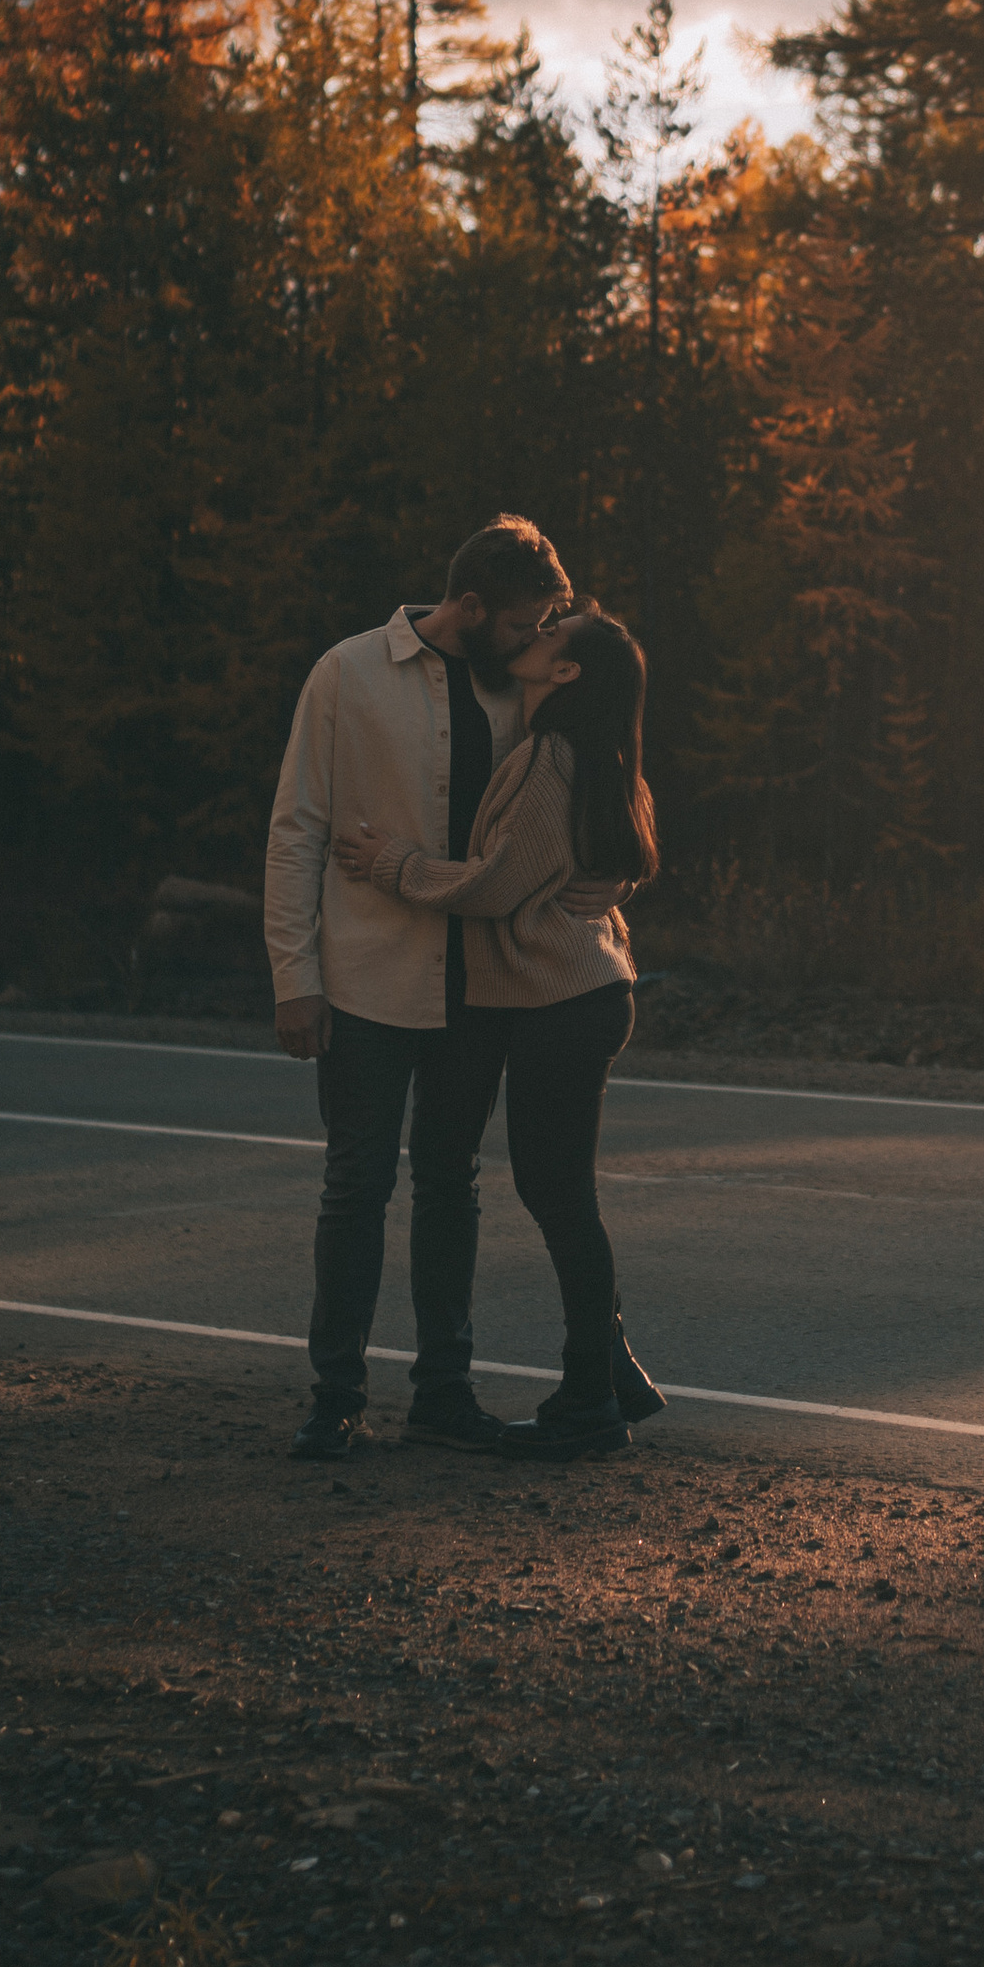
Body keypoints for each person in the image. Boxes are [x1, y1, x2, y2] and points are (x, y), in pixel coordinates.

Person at [264, 515, 597, 1464]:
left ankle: (443, 1393)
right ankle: (336, 1395)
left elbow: (573, 800)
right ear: (473, 606)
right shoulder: (348, 673)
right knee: (355, 1186)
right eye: (529, 621)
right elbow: (299, 829)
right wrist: (296, 977)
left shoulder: (521, 697)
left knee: (451, 1186)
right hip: (365, 977)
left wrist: (604, 879)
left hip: (480, 984)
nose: (540, 639)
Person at [330, 605, 661, 1461]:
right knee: (559, 1194)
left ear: (566, 674)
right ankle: (611, 1370)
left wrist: (392, 864)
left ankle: (591, 1398)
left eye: (550, 639)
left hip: (563, 1002)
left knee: (559, 1197)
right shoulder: (588, 747)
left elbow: (496, 884)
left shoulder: (552, 758)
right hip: (578, 994)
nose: (532, 639)